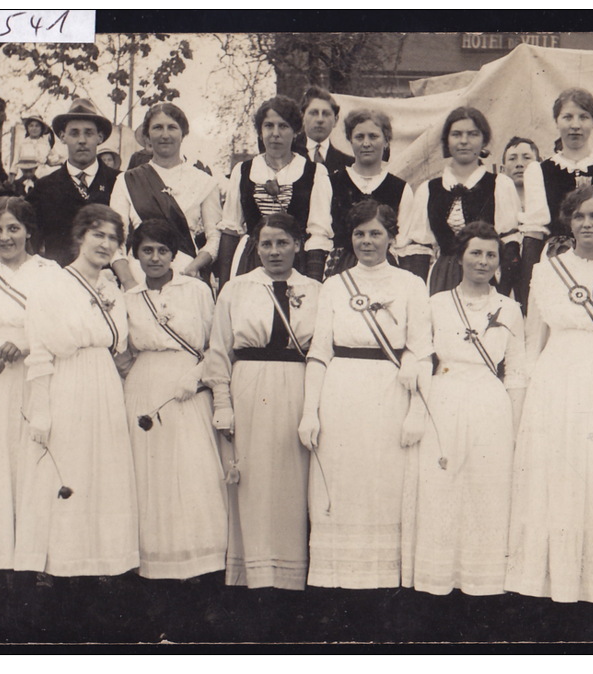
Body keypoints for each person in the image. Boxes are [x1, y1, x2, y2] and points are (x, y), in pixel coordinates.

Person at [505, 185, 593, 604]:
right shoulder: (546, 271)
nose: (587, 224)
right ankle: (540, 584)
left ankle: (589, 587)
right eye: (580, 216)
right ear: (568, 221)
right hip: (552, 378)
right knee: (548, 477)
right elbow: (533, 339)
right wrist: (525, 396)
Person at [299, 199, 432, 589]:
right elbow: (320, 351)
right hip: (341, 392)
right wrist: (311, 411)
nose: (367, 241)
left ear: (392, 237)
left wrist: (417, 411)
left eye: (376, 233)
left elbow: (421, 349)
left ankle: (383, 583)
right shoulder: (335, 285)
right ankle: (338, 581)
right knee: (342, 483)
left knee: (384, 483)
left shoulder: (411, 284)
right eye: (360, 233)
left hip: (388, 394)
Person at [15, 204, 139, 577]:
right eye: (98, 234)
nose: (105, 244)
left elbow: (118, 345)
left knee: (102, 476)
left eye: (113, 238)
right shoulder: (51, 284)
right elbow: (39, 350)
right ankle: (63, 575)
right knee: (69, 473)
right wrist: (41, 410)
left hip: (103, 382)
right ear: (80, 236)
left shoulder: (112, 288)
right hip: (67, 383)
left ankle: (98, 569)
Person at [204, 213, 321, 590]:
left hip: (297, 388)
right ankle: (250, 576)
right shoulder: (236, 289)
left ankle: (291, 579)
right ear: (256, 247)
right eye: (266, 244)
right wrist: (223, 403)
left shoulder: (317, 290)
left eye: (282, 242)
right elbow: (219, 351)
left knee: (294, 482)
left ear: (298, 245)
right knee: (250, 481)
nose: (274, 251)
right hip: (250, 387)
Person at [410, 222, 525, 596]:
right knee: (441, 485)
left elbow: (517, 372)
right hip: (444, 396)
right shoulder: (436, 303)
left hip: (490, 402)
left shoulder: (510, 308)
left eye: (491, 254)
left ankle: (482, 582)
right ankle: (438, 581)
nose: (483, 261)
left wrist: (517, 424)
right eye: (476, 252)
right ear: (460, 257)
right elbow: (421, 359)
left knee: (486, 488)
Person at [122, 219, 226, 580]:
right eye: (146, 251)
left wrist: (195, 378)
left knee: (191, 468)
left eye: (162, 250)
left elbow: (215, 344)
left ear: (174, 254)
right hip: (145, 386)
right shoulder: (129, 299)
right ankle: (152, 562)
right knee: (149, 471)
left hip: (186, 387)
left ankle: (201, 561)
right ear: (135, 255)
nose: (154, 258)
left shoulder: (196, 290)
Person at [0, 197, 60, 573]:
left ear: (29, 230)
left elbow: (60, 329)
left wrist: (26, 344)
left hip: (35, 372)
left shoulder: (49, 271)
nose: (5, 237)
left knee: (32, 464)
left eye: (14, 228)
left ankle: (35, 566)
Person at [518, 89, 593, 309]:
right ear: (557, 121)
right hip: (559, 263)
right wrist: (528, 291)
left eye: (583, 117)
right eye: (567, 117)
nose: (575, 125)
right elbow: (534, 232)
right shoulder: (539, 170)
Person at [399, 107, 517, 295]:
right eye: (456, 134)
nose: (464, 141)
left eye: (472, 134)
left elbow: (510, 246)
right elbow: (419, 250)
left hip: (487, 278)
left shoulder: (500, 185)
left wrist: (502, 292)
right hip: (442, 279)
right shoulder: (428, 190)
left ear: (484, 140)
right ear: (446, 140)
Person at [217, 96, 333, 285]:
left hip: (297, 261)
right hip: (250, 262)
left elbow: (318, 233)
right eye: (269, 126)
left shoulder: (315, 172)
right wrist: (225, 285)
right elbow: (231, 229)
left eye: (283, 126)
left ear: (296, 132)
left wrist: (313, 282)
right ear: (260, 131)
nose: (275, 133)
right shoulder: (243, 170)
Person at [109, 103, 222, 288]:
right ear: (147, 136)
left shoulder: (204, 182)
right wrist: (128, 281)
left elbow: (215, 238)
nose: (165, 135)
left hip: (186, 275)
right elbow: (114, 238)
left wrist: (194, 267)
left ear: (183, 133)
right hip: (139, 276)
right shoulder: (126, 180)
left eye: (172, 127)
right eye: (157, 128)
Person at [27, 99, 120, 267]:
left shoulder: (119, 182)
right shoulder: (44, 187)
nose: (82, 140)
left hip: (109, 282)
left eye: (89, 133)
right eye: (74, 133)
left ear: (100, 137)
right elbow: (30, 241)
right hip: (60, 283)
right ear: (63, 137)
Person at [326, 109, 413, 278]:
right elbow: (320, 236)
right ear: (350, 140)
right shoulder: (330, 183)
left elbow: (402, 242)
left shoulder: (400, 188)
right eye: (359, 137)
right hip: (341, 268)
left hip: (385, 268)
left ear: (386, 141)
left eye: (373, 136)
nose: (366, 143)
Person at [497, 137, 541, 302]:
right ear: (502, 169)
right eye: (512, 158)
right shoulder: (496, 205)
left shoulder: (545, 207)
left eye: (526, 157)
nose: (520, 164)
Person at [293, 86, 354, 172]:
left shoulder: (348, 164)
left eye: (326, 114)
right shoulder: (288, 153)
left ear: (335, 120)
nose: (320, 119)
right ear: (303, 117)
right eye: (314, 113)